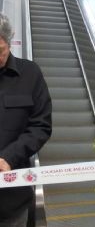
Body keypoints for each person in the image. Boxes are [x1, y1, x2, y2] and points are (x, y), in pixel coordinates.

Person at [0, 13, 52, 226]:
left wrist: (9, 157)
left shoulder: (30, 74)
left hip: (14, 198)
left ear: (9, 42)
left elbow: (41, 125)